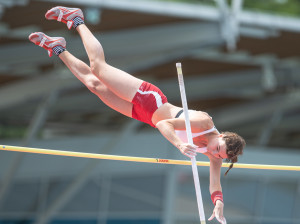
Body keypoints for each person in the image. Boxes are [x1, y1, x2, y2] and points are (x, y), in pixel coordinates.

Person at [29, 6, 245, 224]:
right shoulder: (204, 122)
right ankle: (76, 19)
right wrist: (180, 146)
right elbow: (165, 124)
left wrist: (218, 201)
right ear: (221, 135)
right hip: (149, 99)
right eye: (217, 148)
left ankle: (56, 47)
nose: (213, 153)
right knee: (98, 68)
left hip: (142, 115)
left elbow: (214, 184)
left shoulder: (216, 156)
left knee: (93, 85)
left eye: (219, 156)